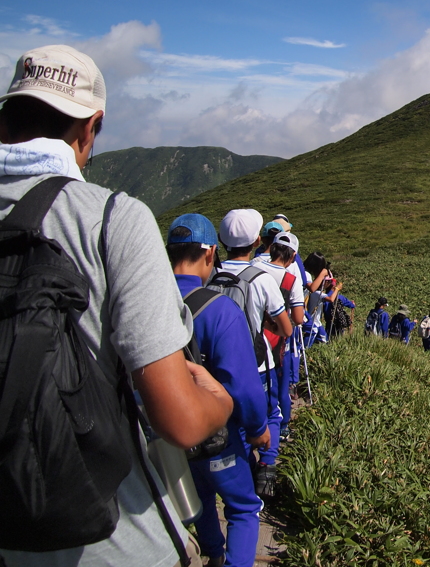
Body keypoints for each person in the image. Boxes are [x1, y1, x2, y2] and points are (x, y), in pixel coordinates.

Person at [0, 45, 232, 567]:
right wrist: (220, 401)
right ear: (91, 128)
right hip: (111, 542)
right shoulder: (111, 219)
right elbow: (180, 421)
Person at [167, 214, 270, 567]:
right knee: (243, 507)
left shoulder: (144, 303)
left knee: (198, 500)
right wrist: (258, 431)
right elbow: (243, 386)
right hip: (216, 436)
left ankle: (212, 552)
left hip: (164, 436)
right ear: (210, 253)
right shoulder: (219, 309)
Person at [216, 208, 293, 497]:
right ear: (258, 240)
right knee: (269, 413)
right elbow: (286, 329)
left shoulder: (211, 275)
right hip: (258, 364)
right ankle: (267, 466)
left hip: (217, 364)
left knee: (229, 417)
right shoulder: (260, 279)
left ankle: (241, 466)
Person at [251, 231, 305, 449]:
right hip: (275, 340)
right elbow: (298, 318)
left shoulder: (252, 268)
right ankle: (280, 428)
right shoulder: (290, 279)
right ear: (292, 257)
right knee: (278, 385)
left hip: (250, 334)